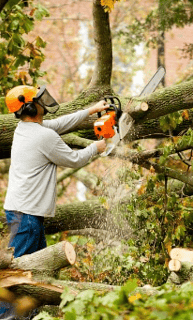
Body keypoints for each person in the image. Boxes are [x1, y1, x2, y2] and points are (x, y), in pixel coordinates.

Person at [0, 85, 107, 319]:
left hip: (24, 211)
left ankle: (30, 314)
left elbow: (61, 124)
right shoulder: (42, 135)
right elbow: (74, 158)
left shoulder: (26, 129)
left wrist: (91, 110)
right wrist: (96, 148)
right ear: (30, 106)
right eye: (39, 100)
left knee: (36, 273)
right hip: (26, 215)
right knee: (17, 274)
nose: (43, 103)